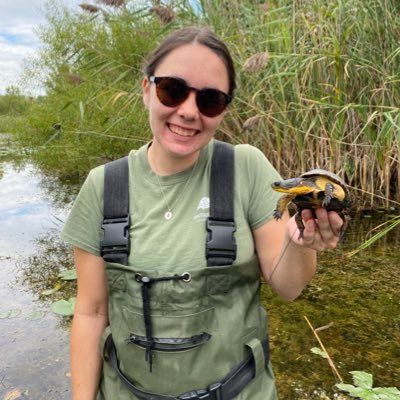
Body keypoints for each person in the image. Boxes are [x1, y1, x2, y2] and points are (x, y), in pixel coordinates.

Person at [61, 26, 344, 400]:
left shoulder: (247, 167)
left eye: (210, 100)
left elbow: (289, 286)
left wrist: (302, 241)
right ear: (146, 89)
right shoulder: (103, 186)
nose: (189, 112)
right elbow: (91, 313)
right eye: (172, 91)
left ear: (224, 108)